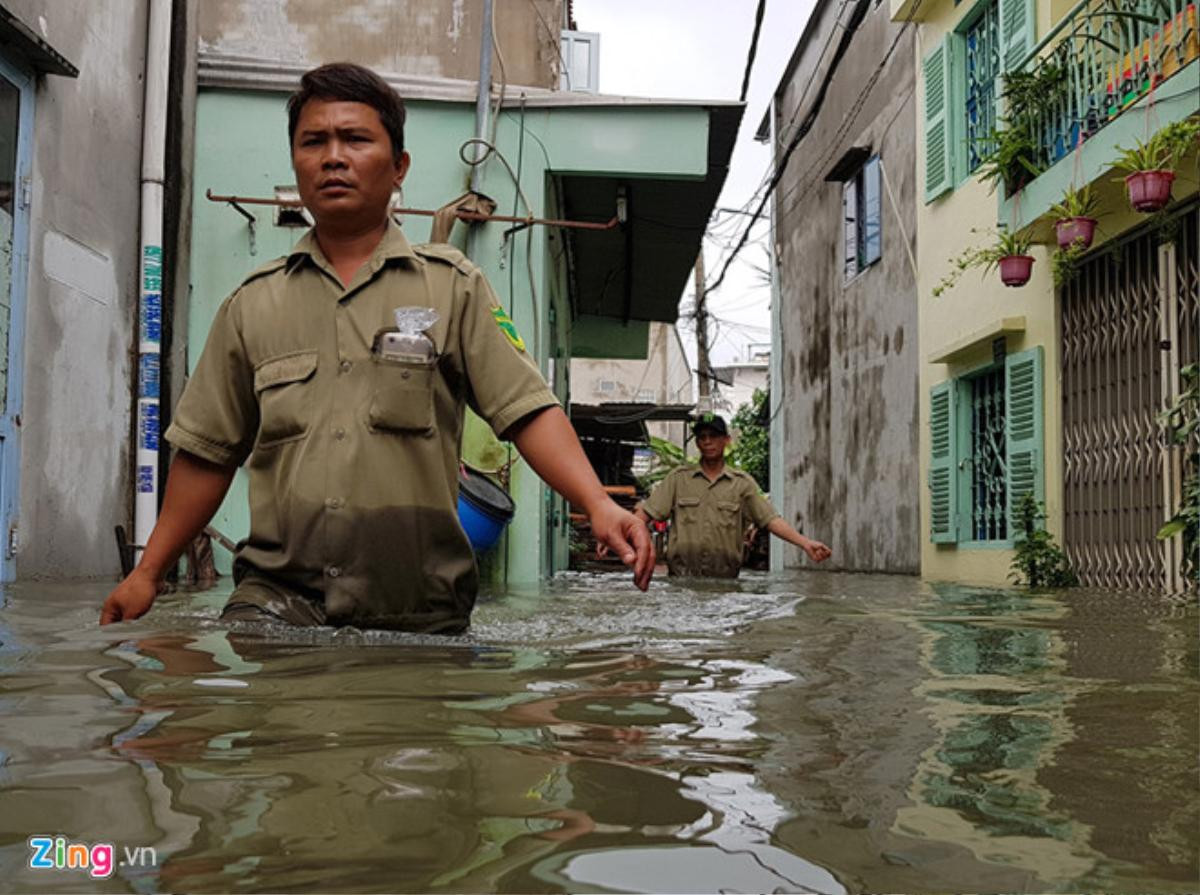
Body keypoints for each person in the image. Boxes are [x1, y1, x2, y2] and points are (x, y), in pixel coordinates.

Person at [100, 62, 652, 631]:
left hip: (420, 608)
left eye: (356, 139)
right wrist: (149, 571)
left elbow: (527, 410)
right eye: (314, 141)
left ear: (398, 168)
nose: (333, 157)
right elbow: (207, 452)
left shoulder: (452, 287)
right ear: (295, 161)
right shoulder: (251, 305)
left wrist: (597, 501)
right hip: (278, 600)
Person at [633, 413, 831, 577]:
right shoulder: (678, 480)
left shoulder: (741, 483)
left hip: (725, 584)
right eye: (702, 437)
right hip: (681, 581)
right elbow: (646, 513)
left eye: (714, 436)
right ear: (698, 443)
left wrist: (805, 543)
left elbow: (770, 519)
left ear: (726, 440)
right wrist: (616, 537)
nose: (708, 442)